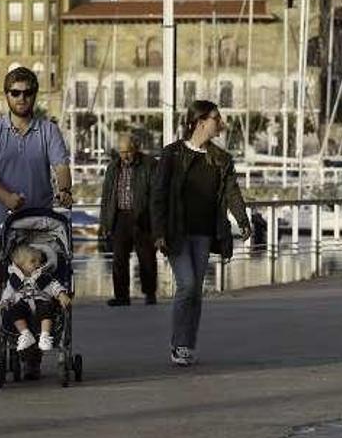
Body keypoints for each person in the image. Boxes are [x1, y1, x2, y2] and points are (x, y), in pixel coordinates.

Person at [0, 66, 72, 380]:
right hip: (0, 226)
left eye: (27, 92)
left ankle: (32, 356)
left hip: (38, 227)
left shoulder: (48, 130)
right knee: (6, 290)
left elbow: (60, 165)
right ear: (6, 95)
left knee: (39, 286)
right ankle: (15, 342)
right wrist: (5, 198)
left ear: (35, 95)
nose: (21, 98)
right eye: (15, 92)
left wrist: (65, 189)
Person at [151, 101, 250, 367]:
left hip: (205, 233)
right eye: (217, 118)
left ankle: (187, 344)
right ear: (200, 121)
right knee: (187, 285)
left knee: (196, 291)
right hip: (177, 232)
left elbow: (232, 192)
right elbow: (158, 194)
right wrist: (158, 231)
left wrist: (243, 220)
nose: (221, 122)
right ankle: (179, 344)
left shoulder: (221, 158)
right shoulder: (172, 154)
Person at [100, 133, 158, 306]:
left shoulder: (150, 165)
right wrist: (105, 222)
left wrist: (156, 222)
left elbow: (157, 195)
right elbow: (107, 196)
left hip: (142, 217)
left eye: (128, 152)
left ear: (136, 148)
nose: (124, 156)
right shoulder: (113, 167)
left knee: (146, 258)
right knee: (119, 259)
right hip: (120, 217)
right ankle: (121, 296)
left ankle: (150, 294)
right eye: (121, 152)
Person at [0, 245, 70, 352]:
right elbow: (8, 292)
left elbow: (54, 286)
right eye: (33, 261)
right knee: (13, 311)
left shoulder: (43, 277)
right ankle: (25, 334)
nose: (37, 264)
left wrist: (61, 294)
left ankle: (45, 336)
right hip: (23, 306)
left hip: (41, 303)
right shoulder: (14, 280)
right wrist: (4, 301)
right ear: (21, 265)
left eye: (39, 261)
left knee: (47, 309)